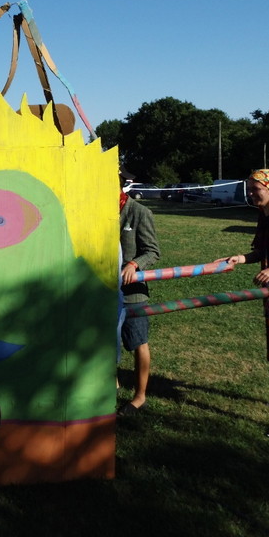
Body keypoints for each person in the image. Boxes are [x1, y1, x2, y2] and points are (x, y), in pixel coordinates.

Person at [217, 169, 269, 440]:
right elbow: (260, 251)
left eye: (257, 189)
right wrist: (240, 258)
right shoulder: (264, 217)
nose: (252, 194)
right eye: (250, 190)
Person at [118, 169, 160, 415]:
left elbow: (152, 251)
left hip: (133, 293)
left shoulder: (139, 212)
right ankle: (111, 384)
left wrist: (135, 264)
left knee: (139, 342)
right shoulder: (96, 210)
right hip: (103, 289)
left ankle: (140, 396)